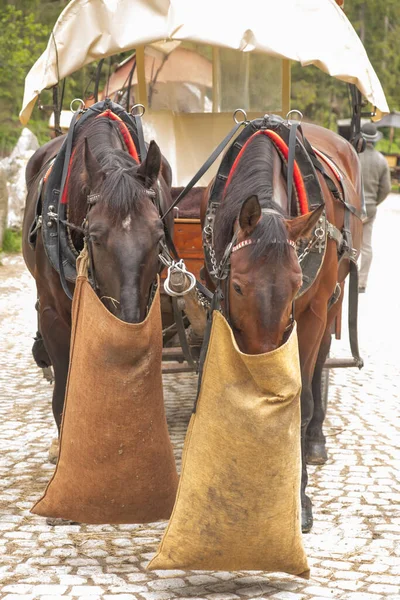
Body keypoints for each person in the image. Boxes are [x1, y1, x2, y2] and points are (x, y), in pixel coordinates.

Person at [358, 122, 391, 293]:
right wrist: (374, 202)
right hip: (370, 208)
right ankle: (362, 282)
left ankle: (339, 279)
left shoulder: (353, 156)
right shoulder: (381, 160)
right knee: (366, 245)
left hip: (352, 206)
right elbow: (386, 189)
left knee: (346, 243)